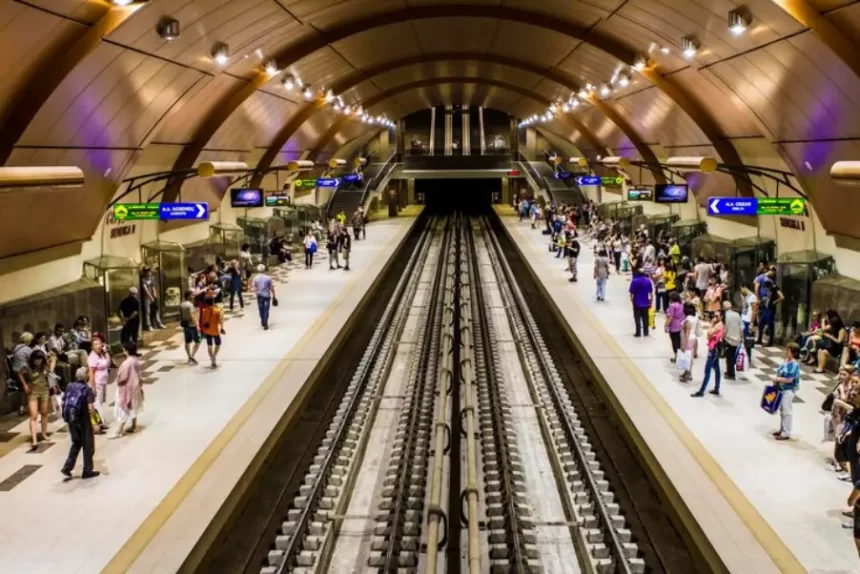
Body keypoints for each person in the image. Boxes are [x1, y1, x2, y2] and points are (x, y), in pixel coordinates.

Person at [61, 367, 98, 479]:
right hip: (83, 420)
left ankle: (67, 467)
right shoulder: (87, 389)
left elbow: (64, 401)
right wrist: (95, 423)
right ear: (86, 376)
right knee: (88, 445)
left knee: (76, 443)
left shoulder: (69, 386)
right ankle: (87, 471)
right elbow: (91, 408)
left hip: (72, 419)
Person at [18, 350, 52, 449]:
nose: (38, 361)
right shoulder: (27, 367)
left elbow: (51, 371)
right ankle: (34, 439)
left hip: (44, 390)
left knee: (44, 412)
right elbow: (19, 373)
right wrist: (25, 385)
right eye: (36, 359)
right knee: (33, 415)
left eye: (40, 359)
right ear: (33, 359)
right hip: (33, 391)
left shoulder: (44, 365)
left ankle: (44, 433)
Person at [112, 342, 144, 439]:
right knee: (133, 407)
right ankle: (134, 425)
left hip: (127, 388)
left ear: (126, 350)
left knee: (124, 409)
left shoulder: (127, 363)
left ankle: (119, 431)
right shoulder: (135, 360)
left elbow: (123, 377)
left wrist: (117, 379)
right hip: (135, 386)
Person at [772, 343, 801, 440]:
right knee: (782, 410)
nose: (786, 352)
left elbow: (789, 379)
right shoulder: (786, 361)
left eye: (788, 351)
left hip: (788, 390)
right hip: (781, 389)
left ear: (793, 353)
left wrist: (777, 379)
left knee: (787, 411)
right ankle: (782, 429)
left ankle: (786, 433)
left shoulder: (794, 365)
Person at [692, 312, 725, 397]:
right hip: (714, 348)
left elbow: (709, 333)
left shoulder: (718, 325)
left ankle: (701, 391)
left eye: (717, 316)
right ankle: (716, 388)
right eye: (714, 315)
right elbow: (709, 336)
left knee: (707, 370)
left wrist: (711, 324)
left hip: (713, 349)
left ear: (721, 316)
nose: (715, 317)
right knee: (716, 369)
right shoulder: (718, 325)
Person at [87, 335, 111, 432]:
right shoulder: (92, 357)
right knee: (97, 403)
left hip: (103, 382)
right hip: (97, 383)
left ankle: (99, 421)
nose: (98, 346)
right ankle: (101, 423)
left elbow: (108, 363)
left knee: (100, 402)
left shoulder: (101, 354)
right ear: (92, 346)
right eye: (96, 344)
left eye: (100, 344)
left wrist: (105, 352)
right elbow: (91, 373)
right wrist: (93, 387)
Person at [757, 276, 783, 347]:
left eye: (766, 288)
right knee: (760, 324)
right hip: (765, 308)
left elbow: (782, 297)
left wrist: (774, 302)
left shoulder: (775, 288)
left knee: (770, 325)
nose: (766, 290)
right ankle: (759, 339)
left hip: (771, 309)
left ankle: (770, 342)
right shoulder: (768, 290)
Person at [629, 268, 654, 337]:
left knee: (637, 318)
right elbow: (651, 292)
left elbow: (631, 293)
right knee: (645, 317)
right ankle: (646, 332)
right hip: (646, 302)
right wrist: (651, 300)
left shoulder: (634, 281)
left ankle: (638, 332)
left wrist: (631, 300)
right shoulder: (648, 281)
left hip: (637, 302)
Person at [140, 266, 166, 331]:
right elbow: (145, 288)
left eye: (149, 271)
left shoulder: (151, 277)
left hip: (152, 295)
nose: (149, 272)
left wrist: (154, 294)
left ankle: (158, 323)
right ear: (145, 272)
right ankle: (148, 325)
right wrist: (150, 296)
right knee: (147, 311)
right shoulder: (143, 279)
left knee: (156, 309)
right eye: (147, 271)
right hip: (146, 296)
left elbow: (153, 286)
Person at [201, 297, 224, 368]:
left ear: (206, 303)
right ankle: (214, 356)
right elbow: (220, 321)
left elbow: (203, 321)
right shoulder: (217, 311)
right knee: (218, 344)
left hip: (207, 331)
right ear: (213, 302)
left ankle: (212, 359)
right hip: (215, 331)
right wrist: (222, 328)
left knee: (209, 345)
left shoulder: (204, 310)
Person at [722, 300, 742, 380]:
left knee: (729, 357)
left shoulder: (725, 316)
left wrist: (722, 337)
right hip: (737, 339)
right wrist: (742, 338)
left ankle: (731, 374)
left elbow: (724, 329)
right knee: (733, 356)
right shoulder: (737, 314)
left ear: (724, 308)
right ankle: (730, 371)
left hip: (729, 339)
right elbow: (741, 327)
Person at [680, 303, 699, 383]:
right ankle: (687, 373)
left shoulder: (688, 320)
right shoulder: (695, 316)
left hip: (688, 339)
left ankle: (687, 374)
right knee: (689, 356)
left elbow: (687, 332)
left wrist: (683, 344)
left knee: (687, 357)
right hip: (693, 337)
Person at [180, 290, 201, 364]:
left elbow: (181, 315)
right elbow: (192, 316)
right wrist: (197, 325)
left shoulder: (182, 304)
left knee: (187, 342)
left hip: (186, 325)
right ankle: (192, 356)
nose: (193, 296)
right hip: (192, 325)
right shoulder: (190, 305)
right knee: (198, 341)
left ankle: (189, 357)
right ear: (188, 296)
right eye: (192, 295)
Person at [253, 264, 276, 330]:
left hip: (259, 296)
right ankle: (265, 322)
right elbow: (271, 288)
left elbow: (254, 288)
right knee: (266, 309)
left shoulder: (256, 278)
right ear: (264, 270)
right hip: (267, 296)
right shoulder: (268, 278)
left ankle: (263, 321)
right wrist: (274, 296)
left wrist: (256, 293)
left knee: (261, 309)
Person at [665, 292, 685, 361]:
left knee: (674, 342)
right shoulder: (682, 304)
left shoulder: (672, 306)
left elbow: (670, 317)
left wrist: (666, 325)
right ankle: (680, 356)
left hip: (674, 326)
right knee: (680, 342)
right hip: (681, 325)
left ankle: (676, 357)